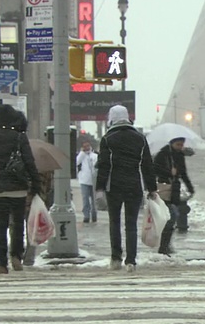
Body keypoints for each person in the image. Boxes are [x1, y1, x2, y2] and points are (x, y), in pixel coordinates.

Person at [0, 104, 41, 274]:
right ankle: (16, 256)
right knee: (18, 224)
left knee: (0, 225)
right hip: (18, 187)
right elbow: (29, 162)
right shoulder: (20, 138)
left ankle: (1, 263)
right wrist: (36, 183)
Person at [95, 105, 158, 273]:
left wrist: (99, 188)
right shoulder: (140, 138)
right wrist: (152, 188)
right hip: (134, 185)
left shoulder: (108, 139)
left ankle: (116, 258)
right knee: (131, 224)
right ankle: (131, 260)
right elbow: (147, 165)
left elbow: (103, 166)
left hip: (113, 186)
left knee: (114, 222)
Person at [153, 137, 195, 255]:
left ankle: (166, 244)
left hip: (174, 190)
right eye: (178, 144)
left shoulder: (179, 156)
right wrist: (168, 173)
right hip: (163, 189)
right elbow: (154, 170)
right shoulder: (162, 154)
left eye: (181, 145)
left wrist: (190, 188)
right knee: (171, 216)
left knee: (171, 217)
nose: (180, 147)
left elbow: (183, 173)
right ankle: (163, 246)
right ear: (171, 144)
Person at [76, 141, 98, 223]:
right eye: (85, 146)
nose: (87, 148)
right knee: (85, 199)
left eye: (88, 146)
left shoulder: (95, 156)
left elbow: (96, 166)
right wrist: (82, 153)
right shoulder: (81, 156)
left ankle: (94, 215)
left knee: (94, 200)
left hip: (93, 181)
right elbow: (76, 162)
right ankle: (86, 216)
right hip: (84, 180)